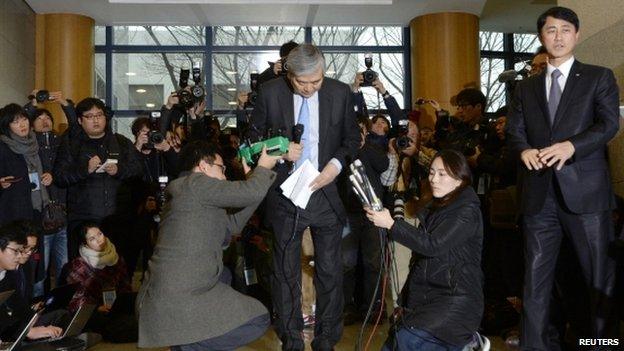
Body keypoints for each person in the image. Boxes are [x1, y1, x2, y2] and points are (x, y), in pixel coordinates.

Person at [505, 6, 620, 351]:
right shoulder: (526, 88)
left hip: (586, 195)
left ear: (577, 35)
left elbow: (609, 124)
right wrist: (523, 149)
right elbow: (514, 132)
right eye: (551, 30)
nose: (558, 36)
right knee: (535, 283)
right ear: (542, 36)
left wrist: (572, 145)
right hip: (539, 198)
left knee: (598, 279)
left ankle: (600, 345)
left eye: (565, 30)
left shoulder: (599, 77)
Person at [250, 43, 360, 351]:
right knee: (286, 274)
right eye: (302, 82)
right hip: (286, 196)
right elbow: (252, 139)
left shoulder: (339, 92)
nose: (310, 88)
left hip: (326, 194)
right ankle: (292, 340)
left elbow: (351, 138)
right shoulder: (270, 93)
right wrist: (279, 149)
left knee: (330, 271)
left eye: (317, 81)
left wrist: (336, 166)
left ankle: (326, 341)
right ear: (289, 75)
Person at [136, 141, 281, 350]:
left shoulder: (191, 194)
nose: (224, 176)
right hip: (179, 295)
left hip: (172, 293)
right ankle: (187, 346)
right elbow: (248, 192)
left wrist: (254, 180)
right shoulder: (195, 183)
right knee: (256, 318)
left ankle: (185, 344)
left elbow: (232, 225)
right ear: (203, 166)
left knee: (226, 279)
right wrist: (263, 167)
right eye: (222, 169)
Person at [365, 149, 484, 351]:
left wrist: (392, 225)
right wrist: (404, 302)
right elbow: (420, 260)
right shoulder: (437, 206)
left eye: (442, 174)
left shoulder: (467, 210)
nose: (434, 179)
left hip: (456, 299)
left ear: (459, 179)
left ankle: (467, 344)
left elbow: (432, 245)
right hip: (428, 297)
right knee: (395, 343)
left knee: (409, 340)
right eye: (431, 172)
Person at [53, 98, 142, 260]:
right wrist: (84, 170)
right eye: (89, 116)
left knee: (118, 269)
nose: (95, 120)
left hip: (117, 219)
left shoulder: (121, 142)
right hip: (83, 220)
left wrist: (119, 170)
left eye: (99, 115)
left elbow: (137, 169)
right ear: (80, 120)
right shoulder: (71, 145)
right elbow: (59, 177)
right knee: (83, 274)